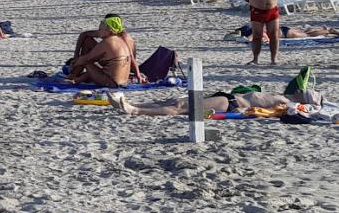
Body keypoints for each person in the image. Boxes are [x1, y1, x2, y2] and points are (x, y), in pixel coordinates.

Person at [110, 87, 321, 116]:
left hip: (231, 105)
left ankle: (134, 110)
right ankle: (128, 103)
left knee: (181, 108)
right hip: (229, 97)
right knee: (177, 99)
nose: (303, 89)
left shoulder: (291, 104)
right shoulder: (285, 95)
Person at [71, 14, 142, 82]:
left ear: (109, 28)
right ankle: (76, 71)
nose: (100, 30)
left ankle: (74, 73)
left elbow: (131, 58)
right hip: (111, 60)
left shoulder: (124, 37)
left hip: (121, 66)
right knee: (87, 41)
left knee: (86, 60)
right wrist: (76, 54)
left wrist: (138, 75)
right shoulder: (108, 32)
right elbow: (84, 34)